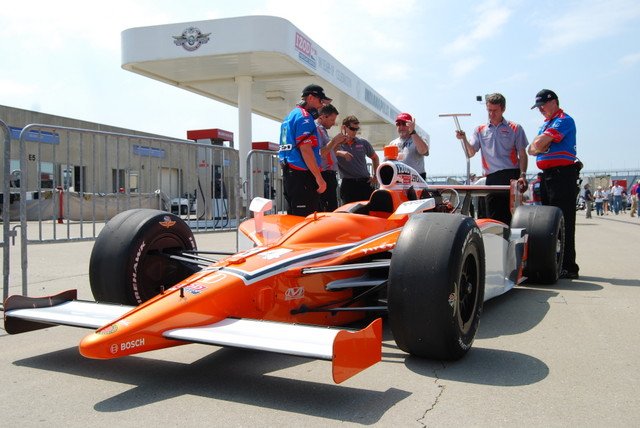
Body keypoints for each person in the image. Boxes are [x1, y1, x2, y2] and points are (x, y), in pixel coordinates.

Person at [527, 89, 581, 280]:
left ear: (554, 102)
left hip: (562, 175)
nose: (540, 109)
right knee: (549, 223)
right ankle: (556, 263)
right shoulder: (546, 124)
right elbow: (531, 149)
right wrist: (540, 144)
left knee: (564, 221)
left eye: (542, 105)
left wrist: (542, 145)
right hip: (548, 176)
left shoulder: (564, 120)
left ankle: (568, 265)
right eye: (538, 107)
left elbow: (539, 145)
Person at [456, 93, 528, 224]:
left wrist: (523, 175)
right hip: (492, 177)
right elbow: (471, 153)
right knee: (493, 217)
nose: (491, 114)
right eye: (489, 110)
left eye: (495, 110)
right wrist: (464, 139)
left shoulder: (515, 128)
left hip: (511, 175)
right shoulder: (480, 129)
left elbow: (522, 154)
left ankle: (513, 242)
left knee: (513, 216)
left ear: (503, 109)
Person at [278, 84, 331, 216]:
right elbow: (306, 150)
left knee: (294, 218)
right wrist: (319, 178)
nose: (322, 105)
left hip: (290, 174)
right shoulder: (305, 118)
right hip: (302, 176)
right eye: (321, 101)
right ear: (311, 98)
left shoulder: (291, 115)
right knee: (306, 221)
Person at [336, 115, 380, 203]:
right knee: (350, 215)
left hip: (365, 183)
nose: (355, 132)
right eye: (352, 129)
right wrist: (340, 153)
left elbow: (375, 158)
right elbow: (326, 153)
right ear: (344, 127)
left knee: (368, 213)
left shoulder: (363, 143)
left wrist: (376, 176)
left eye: (357, 129)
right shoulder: (336, 144)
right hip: (348, 184)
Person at [315, 104, 347, 211]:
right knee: (328, 210)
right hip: (325, 174)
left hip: (328, 174)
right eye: (332, 120)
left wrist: (337, 143)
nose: (334, 123)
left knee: (331, 208)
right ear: (323, 116)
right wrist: (334, 141)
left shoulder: (322, 130)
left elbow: (328, 152)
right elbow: (320, 154)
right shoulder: (317, 129)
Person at [388, 112, 429, 179]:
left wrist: (412, 131)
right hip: (398, 179)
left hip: (416, 179)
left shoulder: (419, 139)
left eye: (404, 124)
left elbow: (423, 151)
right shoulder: (392, 143)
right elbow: (387, 162)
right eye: (398, 124)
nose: (401, 127)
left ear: (410, 125)